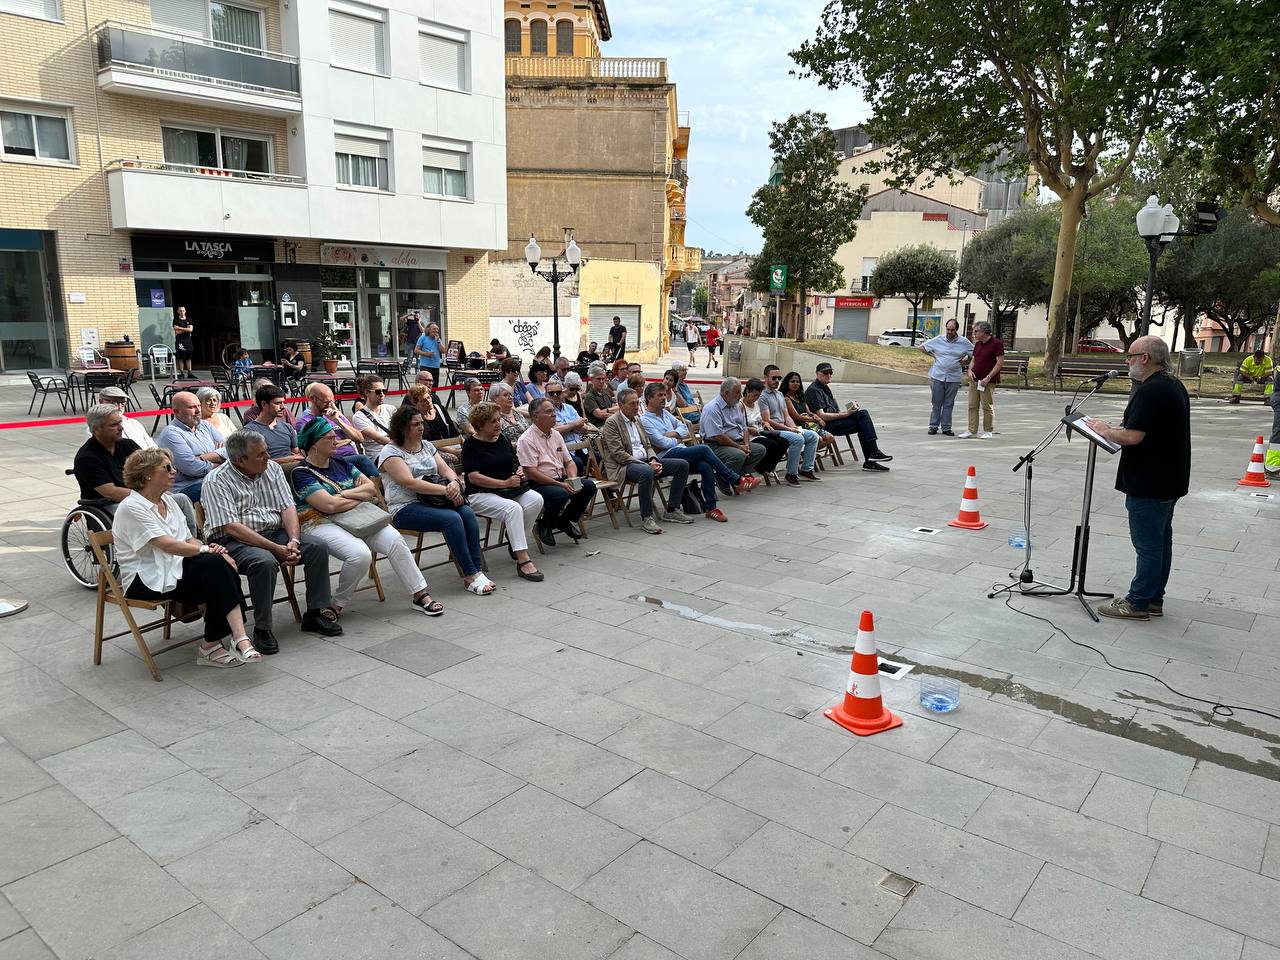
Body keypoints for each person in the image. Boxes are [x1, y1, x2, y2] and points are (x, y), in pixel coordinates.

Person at [114, 448, 258, 667]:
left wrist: (211, 549)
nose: (174, 471)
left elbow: (188, 540)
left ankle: (232, 641)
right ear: (147, 474)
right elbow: (167, 544)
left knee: (220, 569)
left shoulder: (169, 501)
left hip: (174, 566)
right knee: (217, 570)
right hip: (144, 578)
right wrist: (207, 551)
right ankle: (225, 642)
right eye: (167, 467)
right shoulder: (131, 507)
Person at [202, 429, 342, 652]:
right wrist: (276, 549)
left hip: (275, 532)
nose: (268, 457)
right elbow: (232, 527)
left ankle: (315, 613)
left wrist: (294, 541)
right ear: (239, 460)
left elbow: (288, 507)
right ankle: (262, 629)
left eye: (266, 452)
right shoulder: (216, 481)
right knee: (264, 562)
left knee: (316, 546)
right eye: (260, 455)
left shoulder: (273, 469)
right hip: (235, 540)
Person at [1084, 336, 1191, 621]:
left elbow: (1134, 435)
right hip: (1168, 478)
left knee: (1148, 545)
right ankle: (1154, 598)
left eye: (1130, 356)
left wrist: (1105, 429)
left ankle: (1139, 602)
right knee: (1160, 541)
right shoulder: (1172, 384)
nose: (1127, 361)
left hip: (1151, 480)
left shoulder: (1151, 390)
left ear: (1145, 358)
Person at [291, 417, 442, 617]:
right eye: (329, 438)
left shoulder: (340, 462)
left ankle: (419, 594)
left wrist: (343, 495)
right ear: (314, 443)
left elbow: (371, 488)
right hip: (320, 522)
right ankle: (337, 604)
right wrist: (356, 495)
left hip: (357, 517)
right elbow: (327, 505)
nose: (336, 440)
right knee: (359, 554)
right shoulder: (301, 473)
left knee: (395, 540)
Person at [378, 404, 494, 596]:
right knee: (452, 518)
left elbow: (446, 469)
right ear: (402, 427)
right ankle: (470, 574)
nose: (421, 427)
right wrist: (445, 491)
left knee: (466, 512)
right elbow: (409, 483)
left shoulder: (427, 445)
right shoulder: (391, 452)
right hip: (405, 507)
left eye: (421, 423)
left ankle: (477, 569)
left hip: (436, 500)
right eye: (416, 424)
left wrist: (454, 483)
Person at [640, 382, 751, 521]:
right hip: (665, 456)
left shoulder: (666, 414)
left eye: (664, 395)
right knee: (704, 449)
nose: (664, 398)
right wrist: (677, 439)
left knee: (705, 465)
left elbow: (685, 428)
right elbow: (661, 442)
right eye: (660, 395)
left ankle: (711, 508)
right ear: (649, 398)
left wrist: (672, 435)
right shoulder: (645, 420)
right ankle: (735, 479)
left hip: (679, 451)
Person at [462, 403, 544, 582]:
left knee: (536, 499)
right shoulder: (471, 444)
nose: (498, 424)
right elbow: (474, 477)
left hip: (508, 489)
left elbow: (514, 461)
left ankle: (515, 538)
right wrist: (503, 482)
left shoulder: (503, 438)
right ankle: (523, 560)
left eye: (498, 420)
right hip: (481, 493)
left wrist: (520, 470)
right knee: (513, 509)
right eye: (493, 421)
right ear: (480, 425)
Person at [600, 389, 692, 534]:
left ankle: (672, 509)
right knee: (646, 471)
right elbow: (618, 454)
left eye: (637, 403)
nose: (637, 407)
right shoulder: (612, 423)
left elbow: (648, 445)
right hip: (624, 465)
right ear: (620, 405)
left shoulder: (637, 419)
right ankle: (647, 517)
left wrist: (653, 459)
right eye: (632, 404)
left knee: (682, 465)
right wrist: (647, 464)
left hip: (645, 461)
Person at [517, 398, 597, 546]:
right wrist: (560, 485)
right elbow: (531, 472)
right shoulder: (526, 439)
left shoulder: (556, 434)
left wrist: (573, 479)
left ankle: (564, 520)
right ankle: (545, 524)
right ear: (535, 416)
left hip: (558, 478)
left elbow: (569, 461)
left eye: (554, 411)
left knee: (588, 486)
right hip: (537, 483)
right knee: (560, 494)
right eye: (549, 412)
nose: (554, 415)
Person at [804, 364, 893, 471]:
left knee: (862, 416)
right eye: (825, 373)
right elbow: (822, 416)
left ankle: (872, 458)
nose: (829, 375)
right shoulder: (814, 390)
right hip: (825, 425)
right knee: (863, 420)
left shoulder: (825, 388)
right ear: (817, 374)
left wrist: (849, 411)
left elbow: (834, 411)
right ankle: (873, 454)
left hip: (835, 420)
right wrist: (846, 414)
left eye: (830, 373)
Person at [296, 382, 378, 479]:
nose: (330, 405)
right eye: (326, 402)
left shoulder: (334, 416)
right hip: (331, 460)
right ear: (313, 399)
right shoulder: (306, 422)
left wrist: (338, 420)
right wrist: (346, 440)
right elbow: (318, 446)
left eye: (332, 402)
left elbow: (359, 438)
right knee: (363, 460)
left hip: (350, 457)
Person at [74, 403, 143, 511]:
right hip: (108, 505)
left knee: (178, 499)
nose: (121, 428)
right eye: (113, 425)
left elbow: (151, 467)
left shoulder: (128, 445)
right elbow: (111, 492)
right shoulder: (87, 458)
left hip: (136, 499)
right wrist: (146, 496)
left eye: (120, 422)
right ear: (96, 429)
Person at [158, 391, 225, 502]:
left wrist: (204, 457)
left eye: (198, 405)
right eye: (192, 407)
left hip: (213, 479)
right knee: (224, 489)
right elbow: (191, 468)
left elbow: (230, 450)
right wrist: (220, 462)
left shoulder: (204, 425)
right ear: (176, 411)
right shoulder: (171, 434)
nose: (198, 411)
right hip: (189, 487)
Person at [759, 365, 820, 483]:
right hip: (772, 430)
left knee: (813, 436)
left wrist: (793, 427)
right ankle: (791, 474)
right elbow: (767, 420)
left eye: (779, 378)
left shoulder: (780, 395)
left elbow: (786, 416)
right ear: (766, 378)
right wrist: (788, 429)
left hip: (784, 428)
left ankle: (806, 469)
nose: (777, 381)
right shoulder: (762, 397)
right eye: (774, 378)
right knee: (798, 439)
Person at [699, 377, 766, 478]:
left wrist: (746, 445)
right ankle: (725, 477)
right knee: (739, 455)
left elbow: (744, 428)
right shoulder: (712, 409)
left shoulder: (736, 405)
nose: (740, 395)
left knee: (760, 450)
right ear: (726, 393)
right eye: (737, 392)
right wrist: (740, 447)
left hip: (736, 442)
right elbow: (719, 437)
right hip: (716, 445)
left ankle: (735, 476)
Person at [920, 319, 973, 435]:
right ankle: (933, 426)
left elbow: (974, 354)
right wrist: (933, 355)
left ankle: (946, 427)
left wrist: (966, 361)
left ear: (956, 330)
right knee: (936, 402)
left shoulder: (964, 342)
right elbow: (922, 347)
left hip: (953, 377)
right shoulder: (939, 339)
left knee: (949, 403)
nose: (949, 332)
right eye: (948, 329)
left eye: (952, 330)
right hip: (937, 375)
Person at [958, 320, 1004, 439]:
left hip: (987, 381)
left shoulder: (996, 344)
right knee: (972, 405)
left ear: (984, 331)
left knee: (986, 406)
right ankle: (971, 430)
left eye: (976, 331)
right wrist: (969, 371)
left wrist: (988, 377)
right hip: (974, 380)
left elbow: (999, 363)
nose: (974, 334)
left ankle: (988, 430)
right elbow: (973, 359)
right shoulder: (978, 344)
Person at [781, 370, 840, 460]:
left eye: (797, 382)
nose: (795, 384)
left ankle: (805, 454)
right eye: (792, 381)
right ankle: (807, 456)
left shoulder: (800, 397)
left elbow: (809, 412)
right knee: (819, 439)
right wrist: (815, 420)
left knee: (830, 438)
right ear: (787, 383)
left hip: (810, 424)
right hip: (798, 425)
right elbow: (797, 417)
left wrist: (816, 417)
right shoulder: (786, 398)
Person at [242, 384, 304, 464]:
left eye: (283, 402)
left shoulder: (288, 427)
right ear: (264, 404)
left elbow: (297, 453)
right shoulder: (249, 431)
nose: (283, 407)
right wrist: (285, 460)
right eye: (278, 403)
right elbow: (252, 462)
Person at [741, 379, 790, 477]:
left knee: (784, 442)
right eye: (754, 395)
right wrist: (750, 429)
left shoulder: (756, 404)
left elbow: (759, 419)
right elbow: (740, 425)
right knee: (771, 445)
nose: (756, 398)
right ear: (747, 392)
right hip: (750, 435)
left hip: (760, 431)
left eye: (758, 396)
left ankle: (765, 467)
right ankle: (760, 467)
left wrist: (765, 423)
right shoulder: (740, 405)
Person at [87, 386, 155, 449]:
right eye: (114, 402)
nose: (119, 406)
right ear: (101, 402)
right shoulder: (97, 428)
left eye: (123, 402)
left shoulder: (134, 423)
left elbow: (152, 446)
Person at [351, 378, 395, 463]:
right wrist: (403, 445)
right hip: (379, 455)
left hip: (396, 449)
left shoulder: (391, 409)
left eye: (384, 391)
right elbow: (379, 439)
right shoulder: (359, 417)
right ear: (367, 392)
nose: (382, 394)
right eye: (378, 392)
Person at [414, 320, 444, 384]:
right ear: (428, 330)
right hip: (425, 365)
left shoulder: (437, 339)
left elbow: (443, 351)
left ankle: (433, 394)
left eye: (437, 329)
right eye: (434, 329)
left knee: (434, 385)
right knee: (425, 385)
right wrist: (425, 354)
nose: (436, 330)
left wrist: (438, 341)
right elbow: (416, 350)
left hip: (435, 366)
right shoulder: (422, 338)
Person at [172, 305, 194, 373]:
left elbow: (190, 330)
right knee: (180, 357)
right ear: (178, 311)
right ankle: (181, 372)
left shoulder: (189, 320)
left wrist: (179, 328)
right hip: (180, 341)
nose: (182, 312)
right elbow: (177, 332)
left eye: (183, 311)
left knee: (188, 357)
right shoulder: (176, 320)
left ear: (185, 311)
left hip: (188, 341)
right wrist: (186, 329)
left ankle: (189, 372)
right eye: (180, 311)